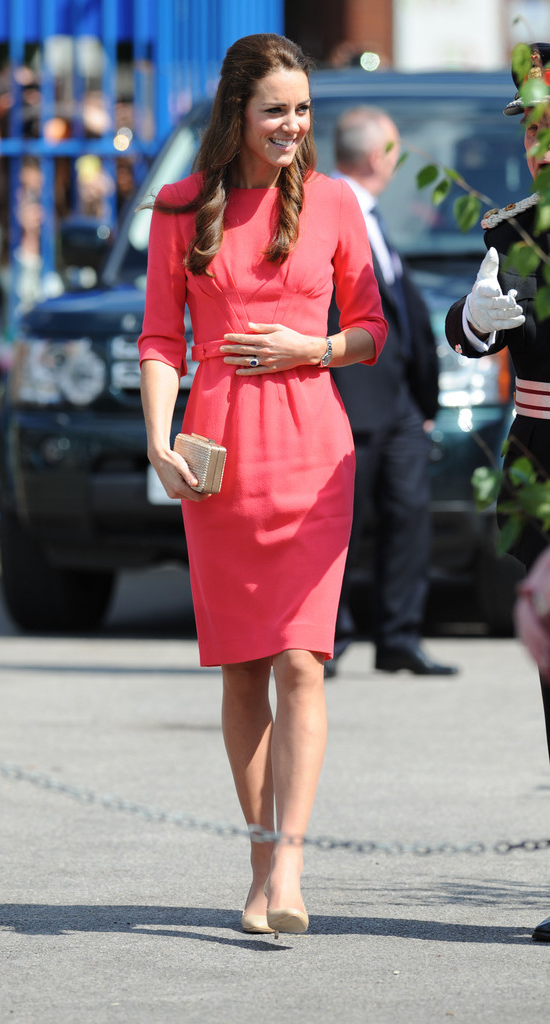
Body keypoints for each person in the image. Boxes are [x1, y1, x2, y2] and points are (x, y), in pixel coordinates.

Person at [137, 34, 387, 936]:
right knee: (242, 670)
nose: (293, 126)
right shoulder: (180, 209)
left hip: (313, 455)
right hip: (220, 456)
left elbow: (370, 328)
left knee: (300, 663)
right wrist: (158, 440)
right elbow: (161, 339)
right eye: (276, 110)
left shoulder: (333, 203)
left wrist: (311, 346)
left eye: (304, 110)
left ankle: (289, 866)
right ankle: (255, 862)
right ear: (237, 113)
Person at [445, 42, 550, 942]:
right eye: (528, 123)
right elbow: (471, 320)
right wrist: (470, 325)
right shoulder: (511, 227)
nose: (537, 138)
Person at [327, 106, 458, 677]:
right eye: (395, 151)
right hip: (350, 399)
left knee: (409, 516)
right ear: (380, 156)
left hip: (400, 402)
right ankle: (324, 640)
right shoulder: (328, 212)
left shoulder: (375, 218)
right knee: (336, 528)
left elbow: (400, 310)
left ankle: (398, 637)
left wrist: (423, 402)